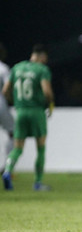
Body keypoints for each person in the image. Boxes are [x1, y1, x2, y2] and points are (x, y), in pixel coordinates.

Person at [2, 45, 55, 191]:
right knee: (41, 148)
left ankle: (7, 171)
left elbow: (5, 90)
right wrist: (50, 104)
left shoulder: (17, 68)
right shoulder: (42, 70)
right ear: (42, 56)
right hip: (37, 111)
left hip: (21, 111)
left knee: (17, 148)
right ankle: (37, 183)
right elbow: (47, 91)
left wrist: (15, 102)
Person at [0, 43, 13, 166]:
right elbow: (6, 89)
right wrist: (12, 101)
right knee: (13, 133)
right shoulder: (3, 68)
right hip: (1, 105)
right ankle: (7, 166)